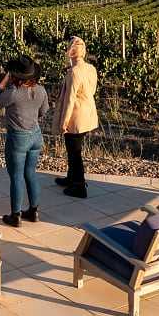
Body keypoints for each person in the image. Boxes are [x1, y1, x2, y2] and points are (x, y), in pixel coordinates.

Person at [0, 55, 49, 227]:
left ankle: (15, 215)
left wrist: (3, 82)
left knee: (16, 176)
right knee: (30, 173)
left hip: (18, 137)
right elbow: (43, 111)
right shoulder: (41, 90)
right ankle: (34, 211)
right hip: (35, 135)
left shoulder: (13, 92)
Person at [53, 36, 99, 199]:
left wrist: (64, 122)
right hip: (88, 114)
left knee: (74, 151)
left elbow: (70, 99)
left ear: (70, 53)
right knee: (74, 149)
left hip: (76, 116)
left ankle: (79, 186)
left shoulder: (73, 72)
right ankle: (71, 178)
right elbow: (92, 91)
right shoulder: (91, 68)